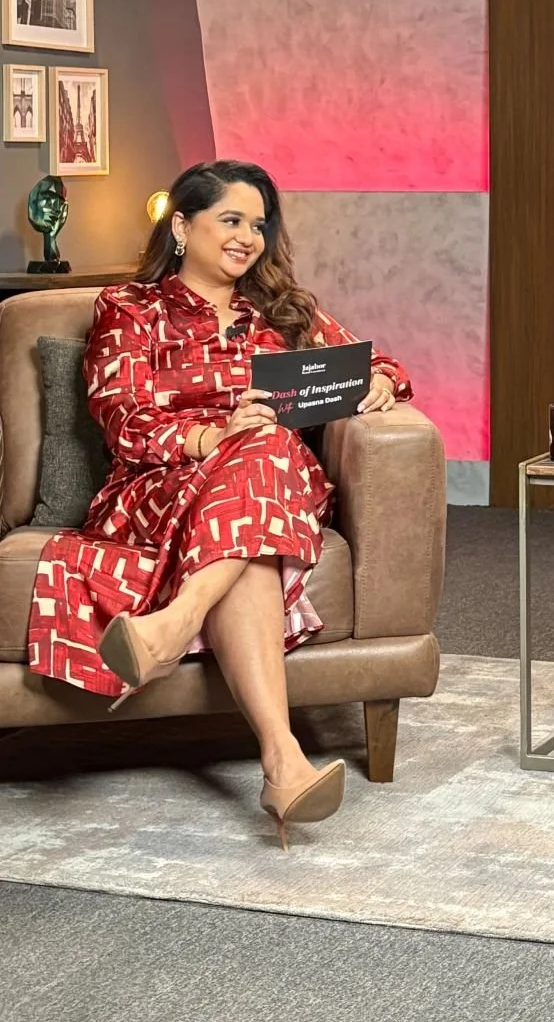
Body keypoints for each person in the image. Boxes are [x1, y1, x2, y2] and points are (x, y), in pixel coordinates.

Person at [26, 160, 413, 849]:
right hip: (161, 486)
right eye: (230, 220)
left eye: (258, 225)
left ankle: (177, 630)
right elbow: (122, 418)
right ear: (181, 226)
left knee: (264, 449)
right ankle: (282, 762)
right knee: (256, 500)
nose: (247, 238)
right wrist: (212, 436)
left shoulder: (284, 310)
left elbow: (375, 363)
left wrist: (380, 382)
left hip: (268, 483)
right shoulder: (129, 308)